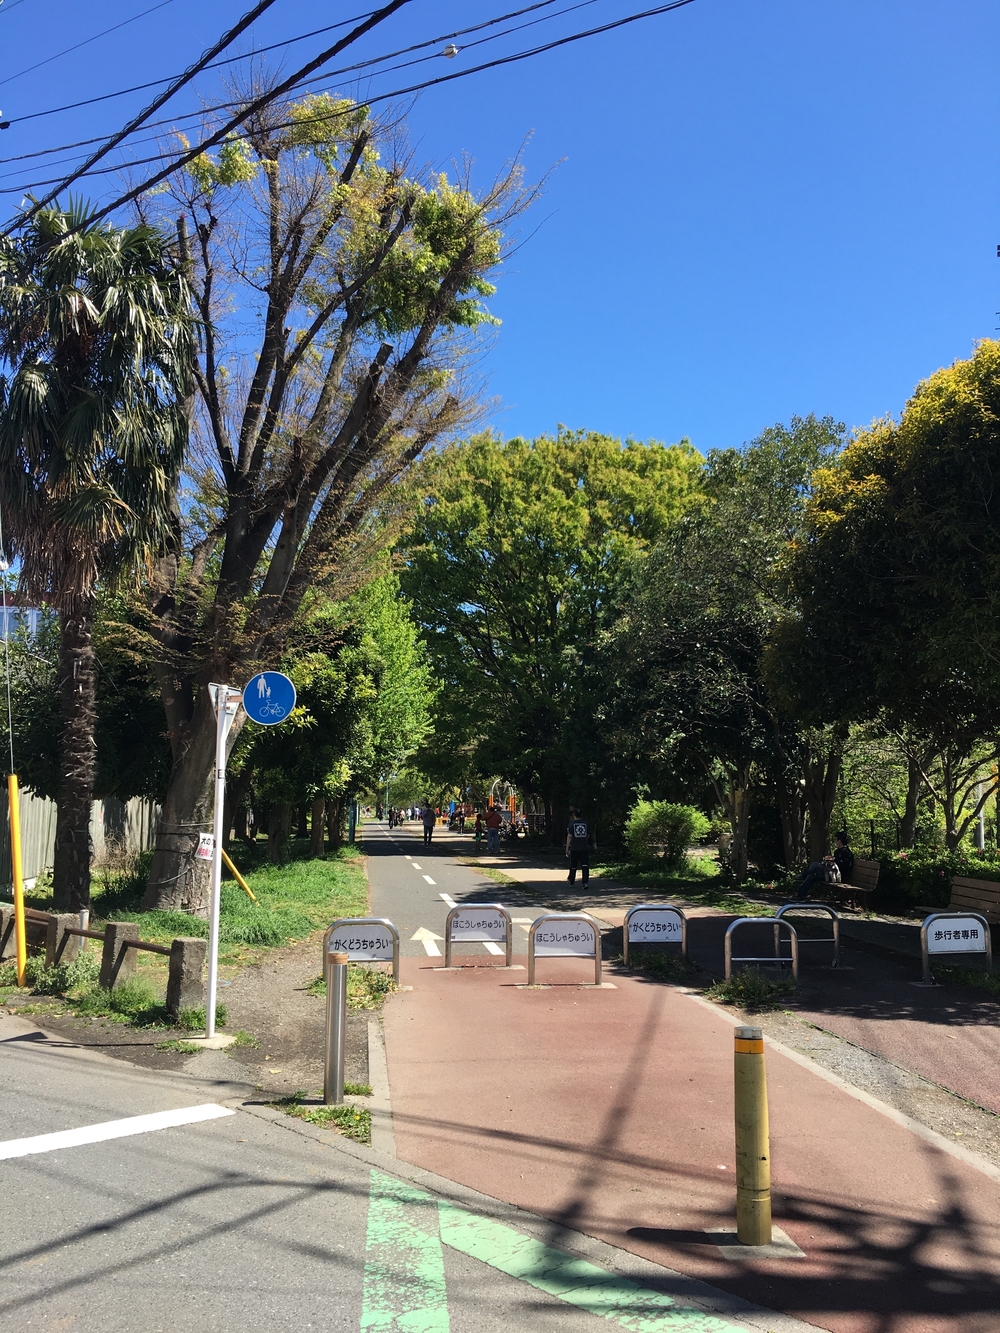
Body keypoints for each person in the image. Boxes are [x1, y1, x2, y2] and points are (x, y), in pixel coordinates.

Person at [566, 808, 591, 885]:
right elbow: (588, 835)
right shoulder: (586, 824)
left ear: (574, 815)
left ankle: (572, 880)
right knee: (585, 865)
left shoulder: (571, 824)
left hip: (574, 848)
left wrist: (567, 847)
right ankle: (585, 882)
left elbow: (570, 836)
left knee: (573, 865)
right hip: (584, 848)